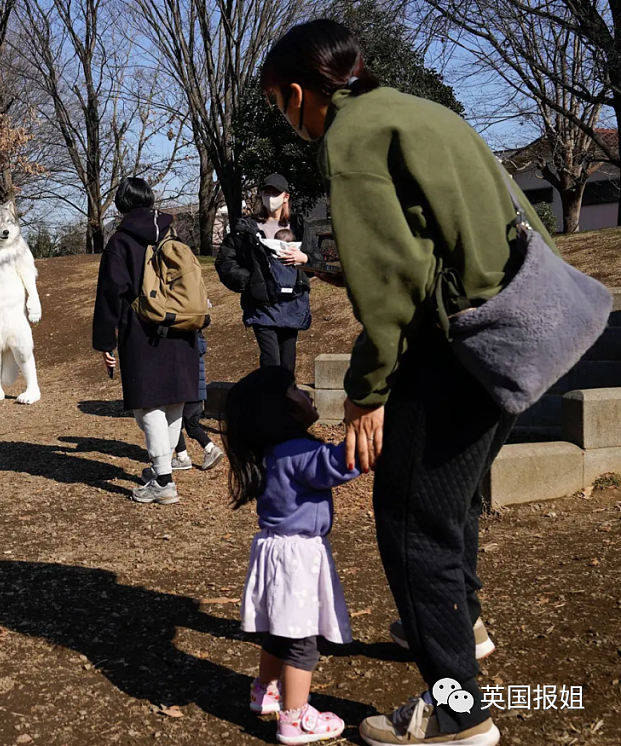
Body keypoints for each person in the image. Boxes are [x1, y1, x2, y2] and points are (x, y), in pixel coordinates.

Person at [260, 19, 558, 746]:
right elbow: (445, 238)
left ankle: (458, 713)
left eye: (277, 104)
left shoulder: (350, 139)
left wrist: (367, 392)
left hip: (456, 345)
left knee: (407, 519)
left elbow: (394, 289)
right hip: (526, 325)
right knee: (449, 504)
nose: (283, 119)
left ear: (300, 93)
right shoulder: (426, 113)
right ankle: (467, 623)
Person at [224, 366, 358, 744]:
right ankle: (295, 718)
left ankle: (264, 689)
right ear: (279, 408)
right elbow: (341, 465)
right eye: (296, 389)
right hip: (297, 555)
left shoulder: (271, 453)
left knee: (280, 632)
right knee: (303, 640)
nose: (307, 393)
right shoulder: (300, 451)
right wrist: (363, 430)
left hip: (273, 550)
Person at [93, 177, 200, 505]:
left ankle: (164, 481)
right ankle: (163, 469)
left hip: (142, 332)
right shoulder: (171, 232)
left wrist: (104, 341)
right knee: (174, 402)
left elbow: (111, 294)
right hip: (182, 327)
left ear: (121, 205)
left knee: (148, 404)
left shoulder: (121, 241)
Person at [215, 175, 322, 374]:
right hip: (261, 305)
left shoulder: (299, 226)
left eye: (276, 193)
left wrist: (304, 258)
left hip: (292, 303)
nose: (270, 197)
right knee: (271, 361)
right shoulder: (245, 228)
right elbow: (225, 261)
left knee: (288, 363)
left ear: (286, 197)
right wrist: (247, 280)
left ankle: (285, 402)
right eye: (266, 192)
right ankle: (269, 402)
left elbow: (318, 260)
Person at [168, 333, 223, 472]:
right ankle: (208, 449)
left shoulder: (179, 344)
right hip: (197, 392)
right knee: (191, 424)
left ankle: (183, 457)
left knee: (174, 423)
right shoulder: (197, 343)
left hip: (184, 392)